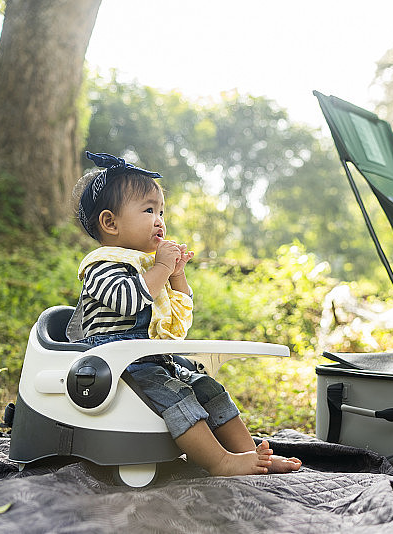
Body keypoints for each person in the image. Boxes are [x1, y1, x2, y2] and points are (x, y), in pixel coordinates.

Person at [66, 151, 302, 477]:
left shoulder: (149, 267)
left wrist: (177, 276)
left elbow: (178, 326)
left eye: (161, 211)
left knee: (207, 387)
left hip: (153, 360)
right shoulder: (102, 266)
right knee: (179, 396)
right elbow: (129, 301)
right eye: (149, 210)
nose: (160, 220)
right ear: (110, 223)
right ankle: (220, 462)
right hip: (120, 367)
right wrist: (162, 267)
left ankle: (250, 454)